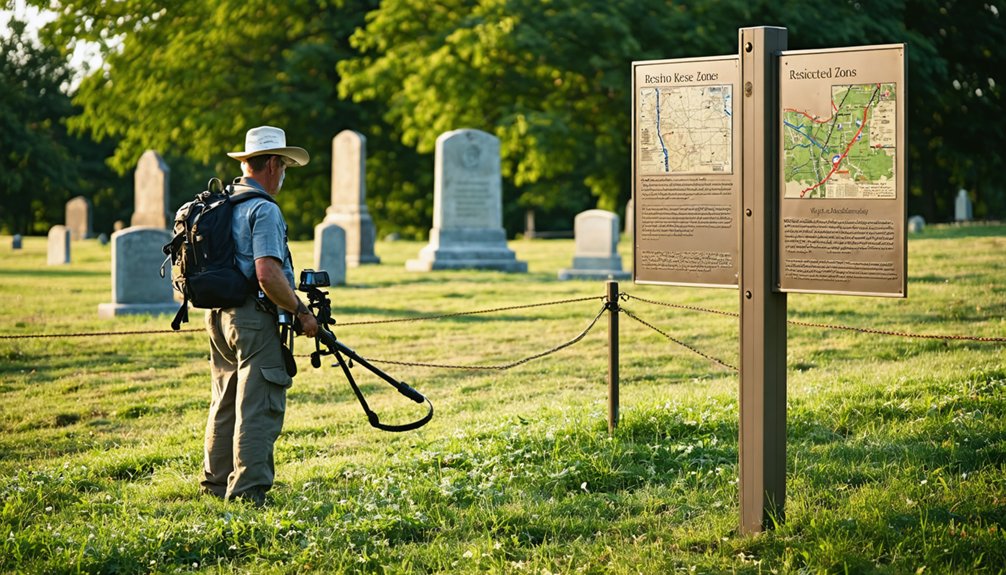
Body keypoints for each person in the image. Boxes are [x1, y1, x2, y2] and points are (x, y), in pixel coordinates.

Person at [200, 125, 319, 505]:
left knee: (226, 399)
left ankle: (216, 485)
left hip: (219, 317)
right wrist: (301, 312)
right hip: (253, 318)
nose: (283, 174)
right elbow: (267, 273)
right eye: (282, 166)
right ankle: (249, 494)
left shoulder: (225, 202)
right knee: (258, 404)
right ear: (270, 164)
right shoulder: (263, 209)